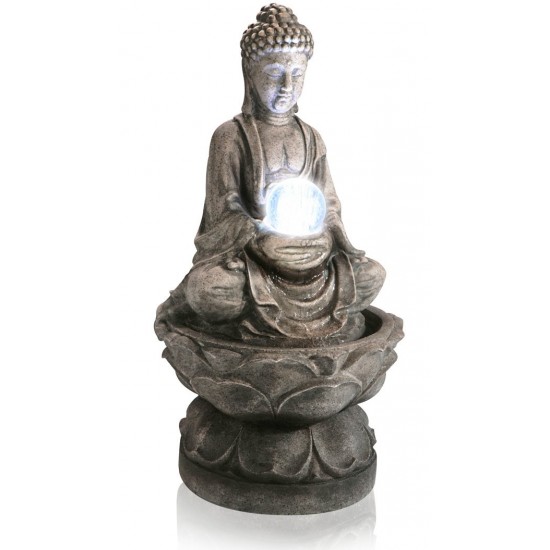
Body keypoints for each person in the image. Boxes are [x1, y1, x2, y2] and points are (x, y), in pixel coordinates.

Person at [155, 4, 385, 345]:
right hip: (254, 258)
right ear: (250, 74)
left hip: (311, 253)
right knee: (211, 289)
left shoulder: (311, 137)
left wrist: (325, 236)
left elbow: (330, 203)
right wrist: (259, 235)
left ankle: (307, 322)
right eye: (274, 74)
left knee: (372, 275)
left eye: (297, 74)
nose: (286, 86)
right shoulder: (231, 137)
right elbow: (223, 210)